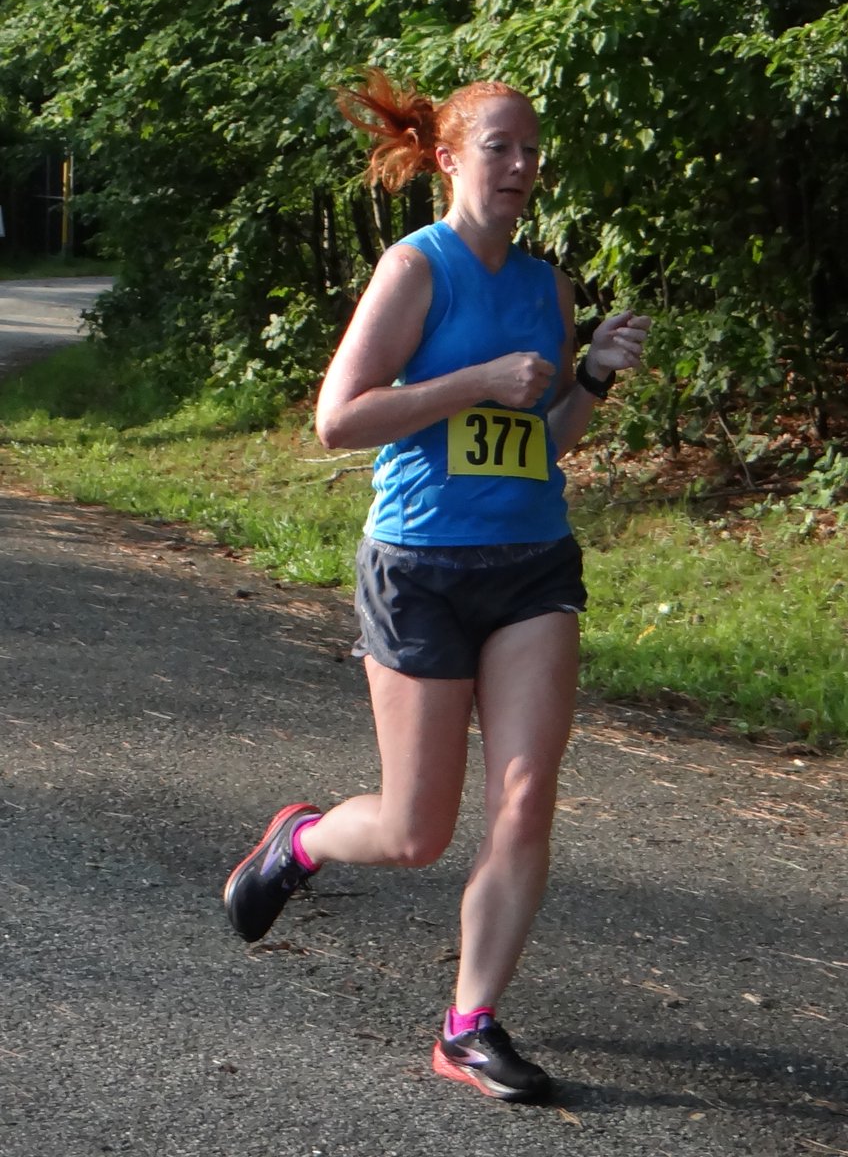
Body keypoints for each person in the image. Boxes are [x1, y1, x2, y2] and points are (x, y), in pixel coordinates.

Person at [223, 68, 650, 1103]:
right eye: (498, 147)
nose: (519, 167)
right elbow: (339, 417)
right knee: (416, 832)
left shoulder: (544, 287)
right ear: (451, 158)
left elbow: (539, 447)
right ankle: (302, 841)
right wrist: (468, 382)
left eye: (531, 151)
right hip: (419, 565)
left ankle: (469, 1025)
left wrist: (586, 377)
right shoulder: (418, 269)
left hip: (531, 562)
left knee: (525, 795)